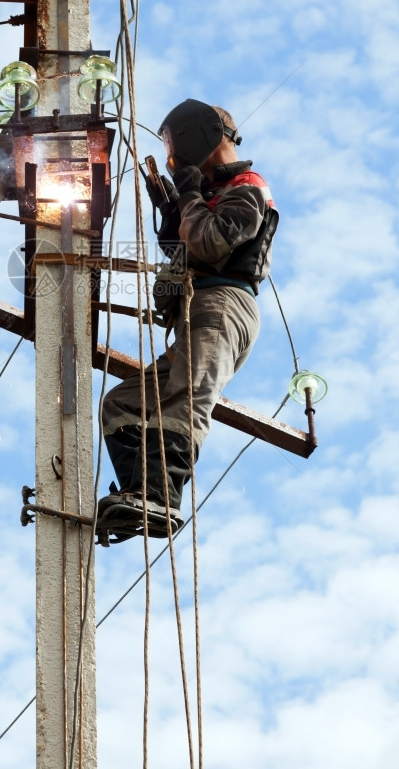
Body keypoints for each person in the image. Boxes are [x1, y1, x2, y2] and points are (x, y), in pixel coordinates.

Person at [98, 99, 278, 539]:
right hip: (197, 312)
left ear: (202, 132)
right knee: (123, 403)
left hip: (222, 306)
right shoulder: (210, 193)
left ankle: (163, 497)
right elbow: (185, 257)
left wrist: (190, 197)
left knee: (186, 398)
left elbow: (210, 243)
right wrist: (174, 215)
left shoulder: (247, 186)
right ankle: (143, 492)